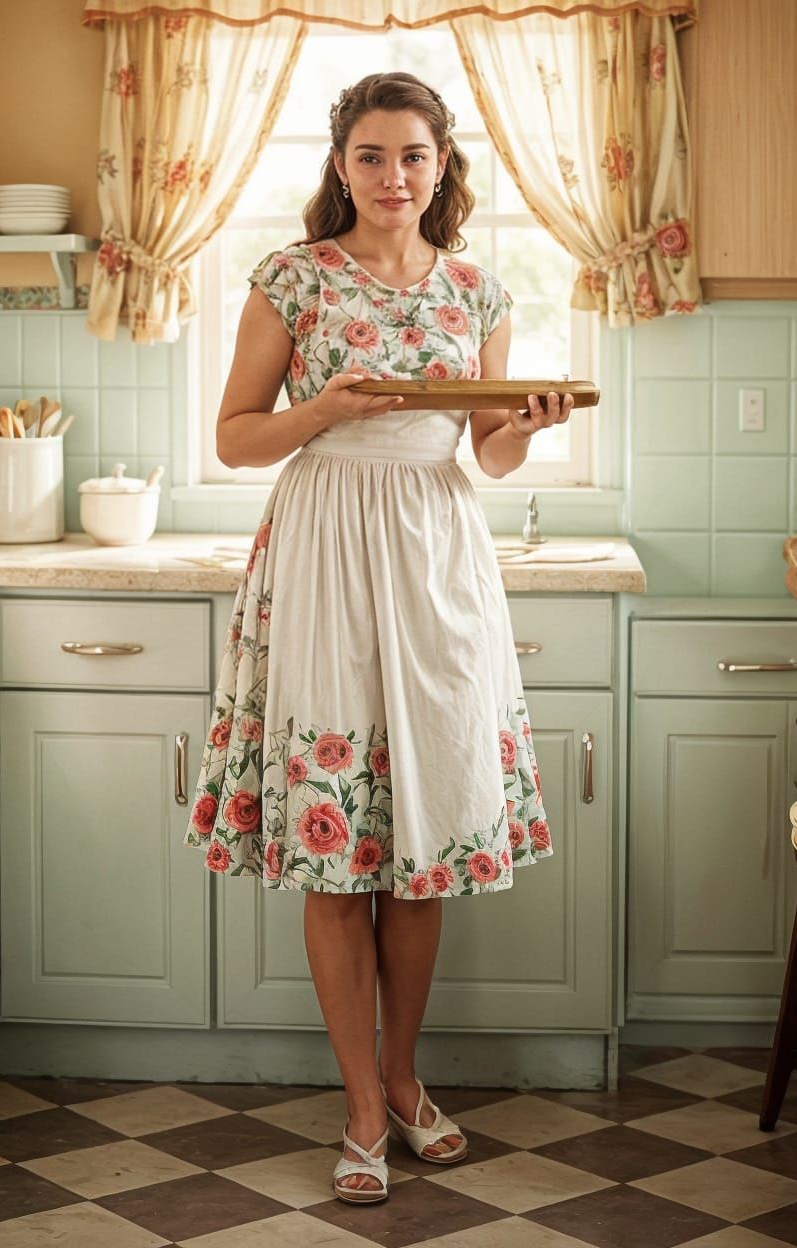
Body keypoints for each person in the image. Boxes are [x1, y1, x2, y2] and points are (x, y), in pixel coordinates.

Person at [184, 70, 573, 1204]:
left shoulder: (480, 294)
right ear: (339, 165)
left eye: (412, 155)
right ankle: (361, 1107)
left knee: (421, 851)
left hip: (437, 559)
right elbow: (237, 440)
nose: (392, 176)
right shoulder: (292, 278)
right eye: (369, 155)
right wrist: (326, 412)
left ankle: (406, 1082)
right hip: (323, 550)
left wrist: (528, 430)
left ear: (440, 166)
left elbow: (486, 456)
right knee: (336, 848)